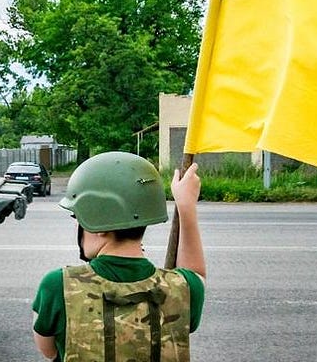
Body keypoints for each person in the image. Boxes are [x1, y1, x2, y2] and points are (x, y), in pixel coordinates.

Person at [32, 152, 205, 361]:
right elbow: (196, 275)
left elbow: (49, 350)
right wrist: (187, 207)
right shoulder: (184, 288)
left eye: (79, 217)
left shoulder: (58, 285)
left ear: (98, 222)